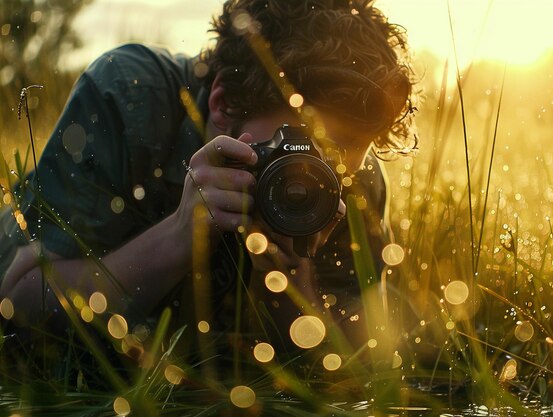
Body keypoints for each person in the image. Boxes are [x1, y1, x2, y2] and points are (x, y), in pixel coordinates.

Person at [0, 0, 414, 374]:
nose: (312, 178)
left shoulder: (354, 184)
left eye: (339, 165)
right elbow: (19, 304)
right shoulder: (131, 97)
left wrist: (291, 274)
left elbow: (355, 364)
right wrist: (178, 236)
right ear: (223, 103)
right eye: (291, 148)